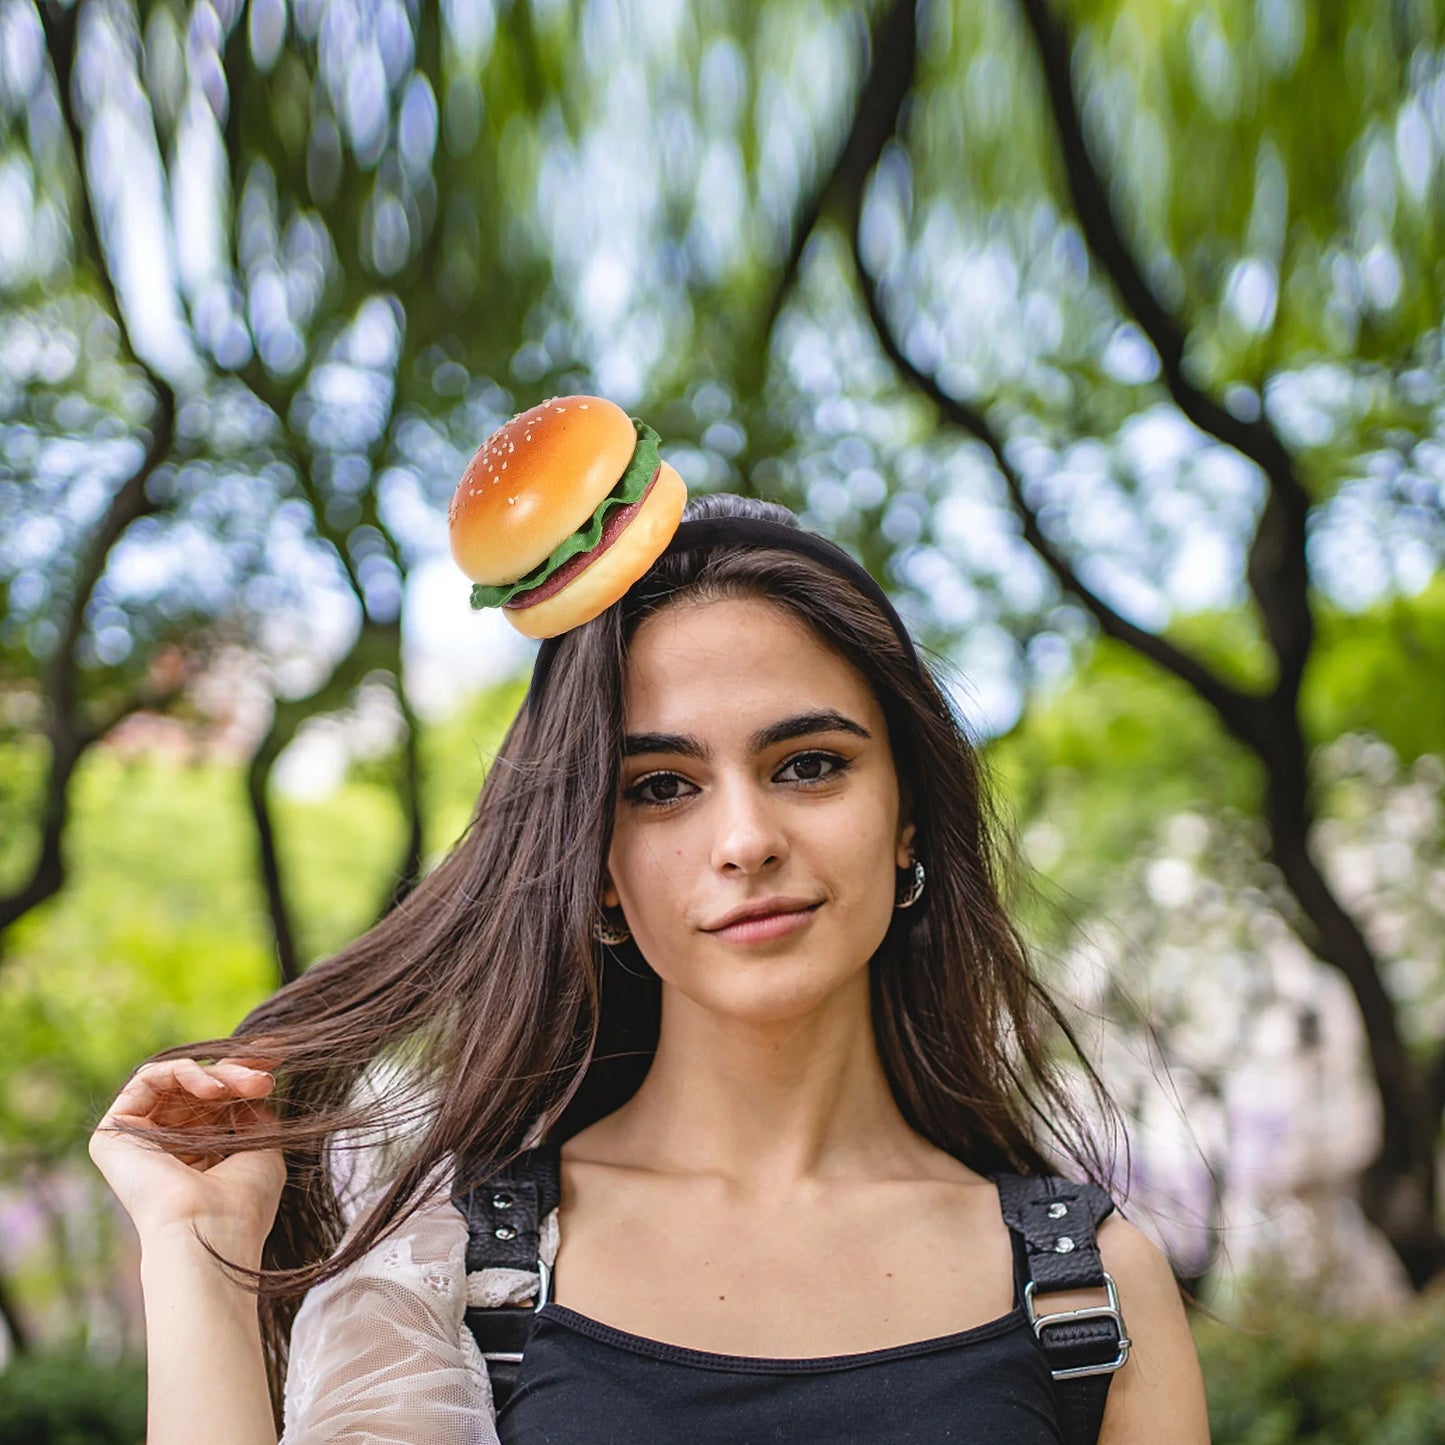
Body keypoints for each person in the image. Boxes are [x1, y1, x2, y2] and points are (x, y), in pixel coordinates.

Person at [91, 491, 1210, 1444]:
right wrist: (196, 1254)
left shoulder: (1089, 1286)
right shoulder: (455, 1268)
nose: (743, 839)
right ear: (602, 868)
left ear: (906, 814)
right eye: (660, 786)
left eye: (808, 764)